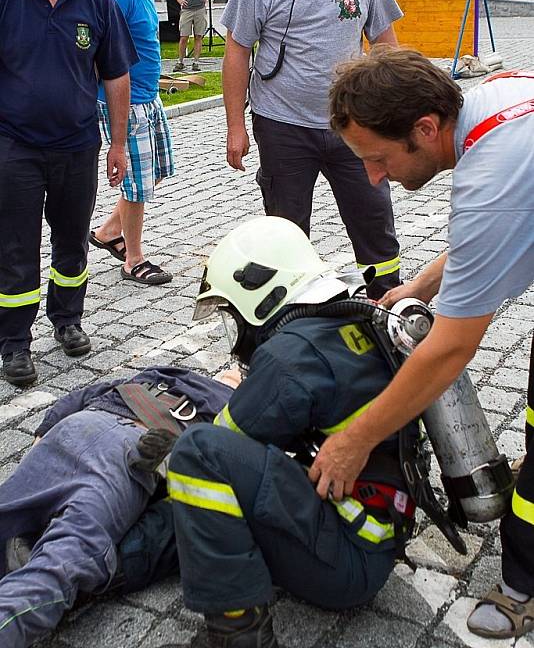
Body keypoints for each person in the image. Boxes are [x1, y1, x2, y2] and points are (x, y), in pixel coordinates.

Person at [309, 47, 534, 640]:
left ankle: (524, 588)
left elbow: (449, 351)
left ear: (426, 128)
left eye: (378, 158)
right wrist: (417, 287)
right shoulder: (492, 101)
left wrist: (355, 440)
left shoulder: (491, 177)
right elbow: (483, 239)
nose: (374, 177)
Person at [165, 216, 419, 648]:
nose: (237, 329)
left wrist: (163, 459)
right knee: (200, 512)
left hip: (348, 557)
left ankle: (238, 634)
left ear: (262, 295)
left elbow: (223, 443)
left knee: (195, 459)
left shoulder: (291, 356)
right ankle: (105, 566)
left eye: (232, 312)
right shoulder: (350, 318)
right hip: (375, 531)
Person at [221, 0, 402, 300]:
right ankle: (290, 324)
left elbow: (386, 44)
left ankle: (388, 305)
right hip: (281, 125)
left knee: (373, 222)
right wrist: (234, 126)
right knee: (286, 235)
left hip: (352, 127)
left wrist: (395, 114)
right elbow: (237, 50)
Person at [0, 0, 137, 388]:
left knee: (72, 240)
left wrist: (117, 144)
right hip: (14, 147)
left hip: (78, 146)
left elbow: (117, 75)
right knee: (15, 248)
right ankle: (14, 343)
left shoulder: (97, 1)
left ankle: (67, 321)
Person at [0, 365, 233, 648]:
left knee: (41, 540)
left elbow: (82, 396)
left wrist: (45, 437)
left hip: (83, 429)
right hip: (123, 452)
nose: (234, 373)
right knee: (63, 562)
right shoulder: (229, 406)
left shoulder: (162, 374)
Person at [89, 0, 175, 286]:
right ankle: (134, 260)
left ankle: (109, 231)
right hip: (125, 102)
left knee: (154, 171)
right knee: (136, 184)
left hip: (148, 97)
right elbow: (96, 53)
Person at [167, 0, 214, 72]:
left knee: (198, 36)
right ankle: (180, 62)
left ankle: (196, 62)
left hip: (200, 10)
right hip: (187, 10)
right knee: (184, 37)